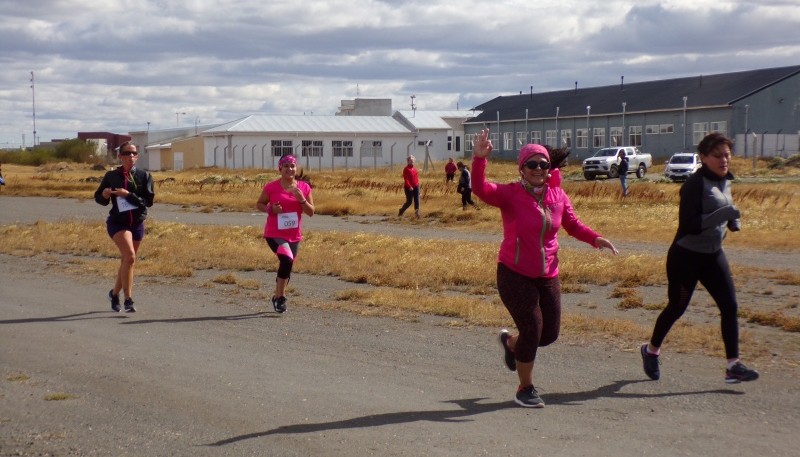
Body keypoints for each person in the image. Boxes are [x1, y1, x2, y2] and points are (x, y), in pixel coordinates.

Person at [471, 129, 618, 408]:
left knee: (548, 334)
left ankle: (512, 344)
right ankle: (525, 388)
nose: (538, 169)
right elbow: (480, 189)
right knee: (533, 327)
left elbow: (572, 225)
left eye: (543, 164)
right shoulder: (511, 195)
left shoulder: (558, 195)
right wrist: (479, 160)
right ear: (522, 168)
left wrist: (595, 238)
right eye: (532, 164)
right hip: (514, 273)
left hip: (548, 274)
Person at [640, 132, 758, 384]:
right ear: (703, 157)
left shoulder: (726, 180)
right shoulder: (694, 185)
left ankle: (732, 366)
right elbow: (690, 224)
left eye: (727, 154)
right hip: (686, 257)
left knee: (730, 306)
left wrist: (732, 220)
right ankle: (650, 350)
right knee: (677, 308)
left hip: (713, 255)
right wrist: (724, 213)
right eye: (717, 156)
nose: (723, 160)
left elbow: (724, 208)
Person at [93, 142, 155, 313]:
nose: (130, 156)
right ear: (120, 156)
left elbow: (148, 202)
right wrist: (105, 195)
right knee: (130, 256)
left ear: (137, 156)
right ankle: (128, 299)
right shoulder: (112, 176)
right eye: (127, 153)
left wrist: (129, 195)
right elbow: (99, 197)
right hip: (118, 223)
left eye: (133, 153)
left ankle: (114, 294)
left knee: (127, 261)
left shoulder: (144, 176)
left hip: (136, 224)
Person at [256, 154, 315, 314]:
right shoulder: (271, 187)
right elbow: (259, 204)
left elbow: (311, 212)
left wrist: (301, 199)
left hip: (294, 235)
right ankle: (281, 298)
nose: (289, 169)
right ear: (280, 169)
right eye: (286, 166)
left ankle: (276, 295)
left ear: (296, 169)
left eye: (292, 166)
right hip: (274, 233)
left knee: (287, 265)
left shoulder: (303, 187)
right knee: (287, 259)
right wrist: (270, 209)